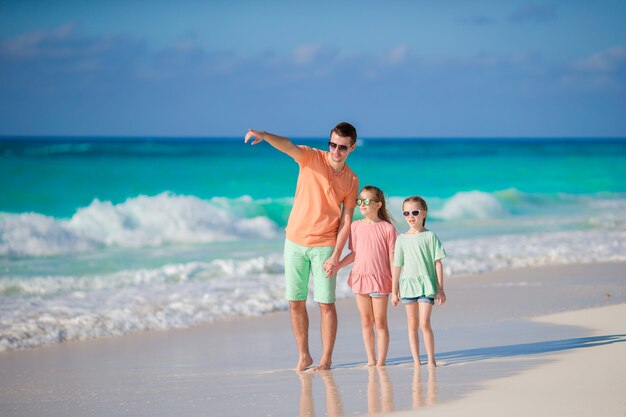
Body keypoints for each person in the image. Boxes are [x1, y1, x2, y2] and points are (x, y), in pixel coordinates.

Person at [244, 122, 359, 371]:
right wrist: (264, 134)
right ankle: (304, 355)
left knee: (326, 304)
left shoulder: (351, 180)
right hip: (295, 241)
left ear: (352, 148)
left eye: (342, 147)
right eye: (332, 144)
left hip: (326, 246)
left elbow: (346, 220)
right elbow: (287, 145)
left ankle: (326, 359)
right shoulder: (310, 157)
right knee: (295, 301)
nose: (335, 151)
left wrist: (337, 255)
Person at [336, 185, 396, 366]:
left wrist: (396, 286)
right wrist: (338, 265)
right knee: (365, 321)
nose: (361, 204)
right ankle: (371, 359)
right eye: (359, 201)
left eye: (366, 201)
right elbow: (354, 253)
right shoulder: (355, 226)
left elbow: (393, 258)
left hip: (380, 279)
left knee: (380, 322)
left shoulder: (387, 228)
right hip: (360, 278)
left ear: (378, 205)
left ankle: (381, 361)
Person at [391, 196, 446, 367]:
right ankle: (416, 360)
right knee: (412, 325)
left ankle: (431, 359)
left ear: (424, 214)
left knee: (424, 323)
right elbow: (397, 265)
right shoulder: (401, 239)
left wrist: (440, 288)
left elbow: (438, 263)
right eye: (406, 213)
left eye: (415, 212)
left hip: (426, 285)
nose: (410, 216)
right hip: (407, 286)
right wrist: (394, 290)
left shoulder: (430, 236)